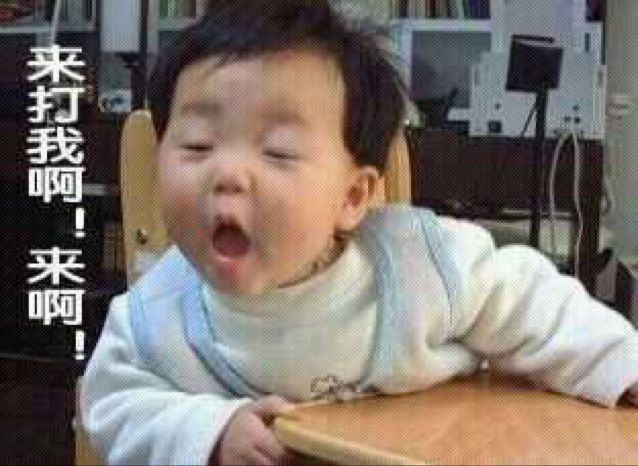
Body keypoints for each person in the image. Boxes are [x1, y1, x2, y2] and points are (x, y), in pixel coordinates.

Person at [80, 1, 638, 464]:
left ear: (352, 197)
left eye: (277, 152)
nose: (226, 174)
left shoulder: (422, 267)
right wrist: (209, 431)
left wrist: (620, 366)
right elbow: (110, 403)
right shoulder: (156, 315)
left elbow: (530, 303)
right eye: (197, 145)